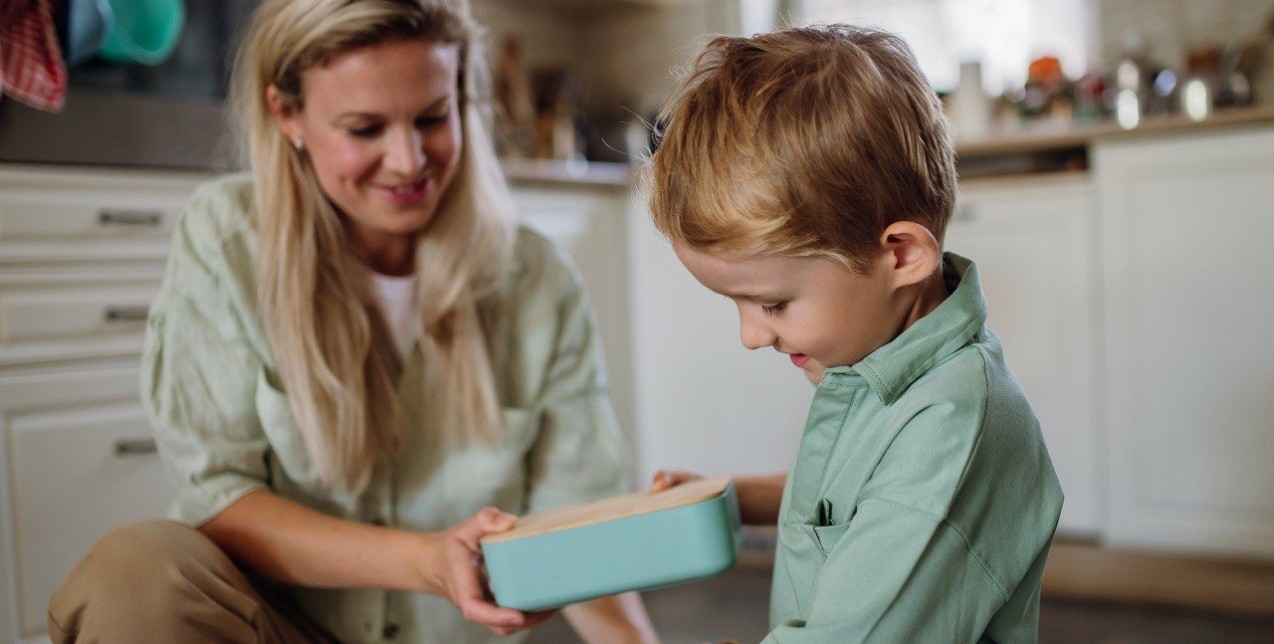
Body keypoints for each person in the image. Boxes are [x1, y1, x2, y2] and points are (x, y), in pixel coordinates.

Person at [47, 1, 658, 642]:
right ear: (287, 114)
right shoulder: (227, 242)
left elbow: (575, 523)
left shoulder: (538, 279)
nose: (408, 161)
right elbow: (217, 497)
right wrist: (424, 562)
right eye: (365, 129)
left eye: (432, 118)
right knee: (132, 572)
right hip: (278, 629)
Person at [644, 25, 1064, 642]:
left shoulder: (952, 427)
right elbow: (869, 495)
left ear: (901, 255)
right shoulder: (885, 364)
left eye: (773, 303)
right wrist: (732, 498)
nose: (751, 337)